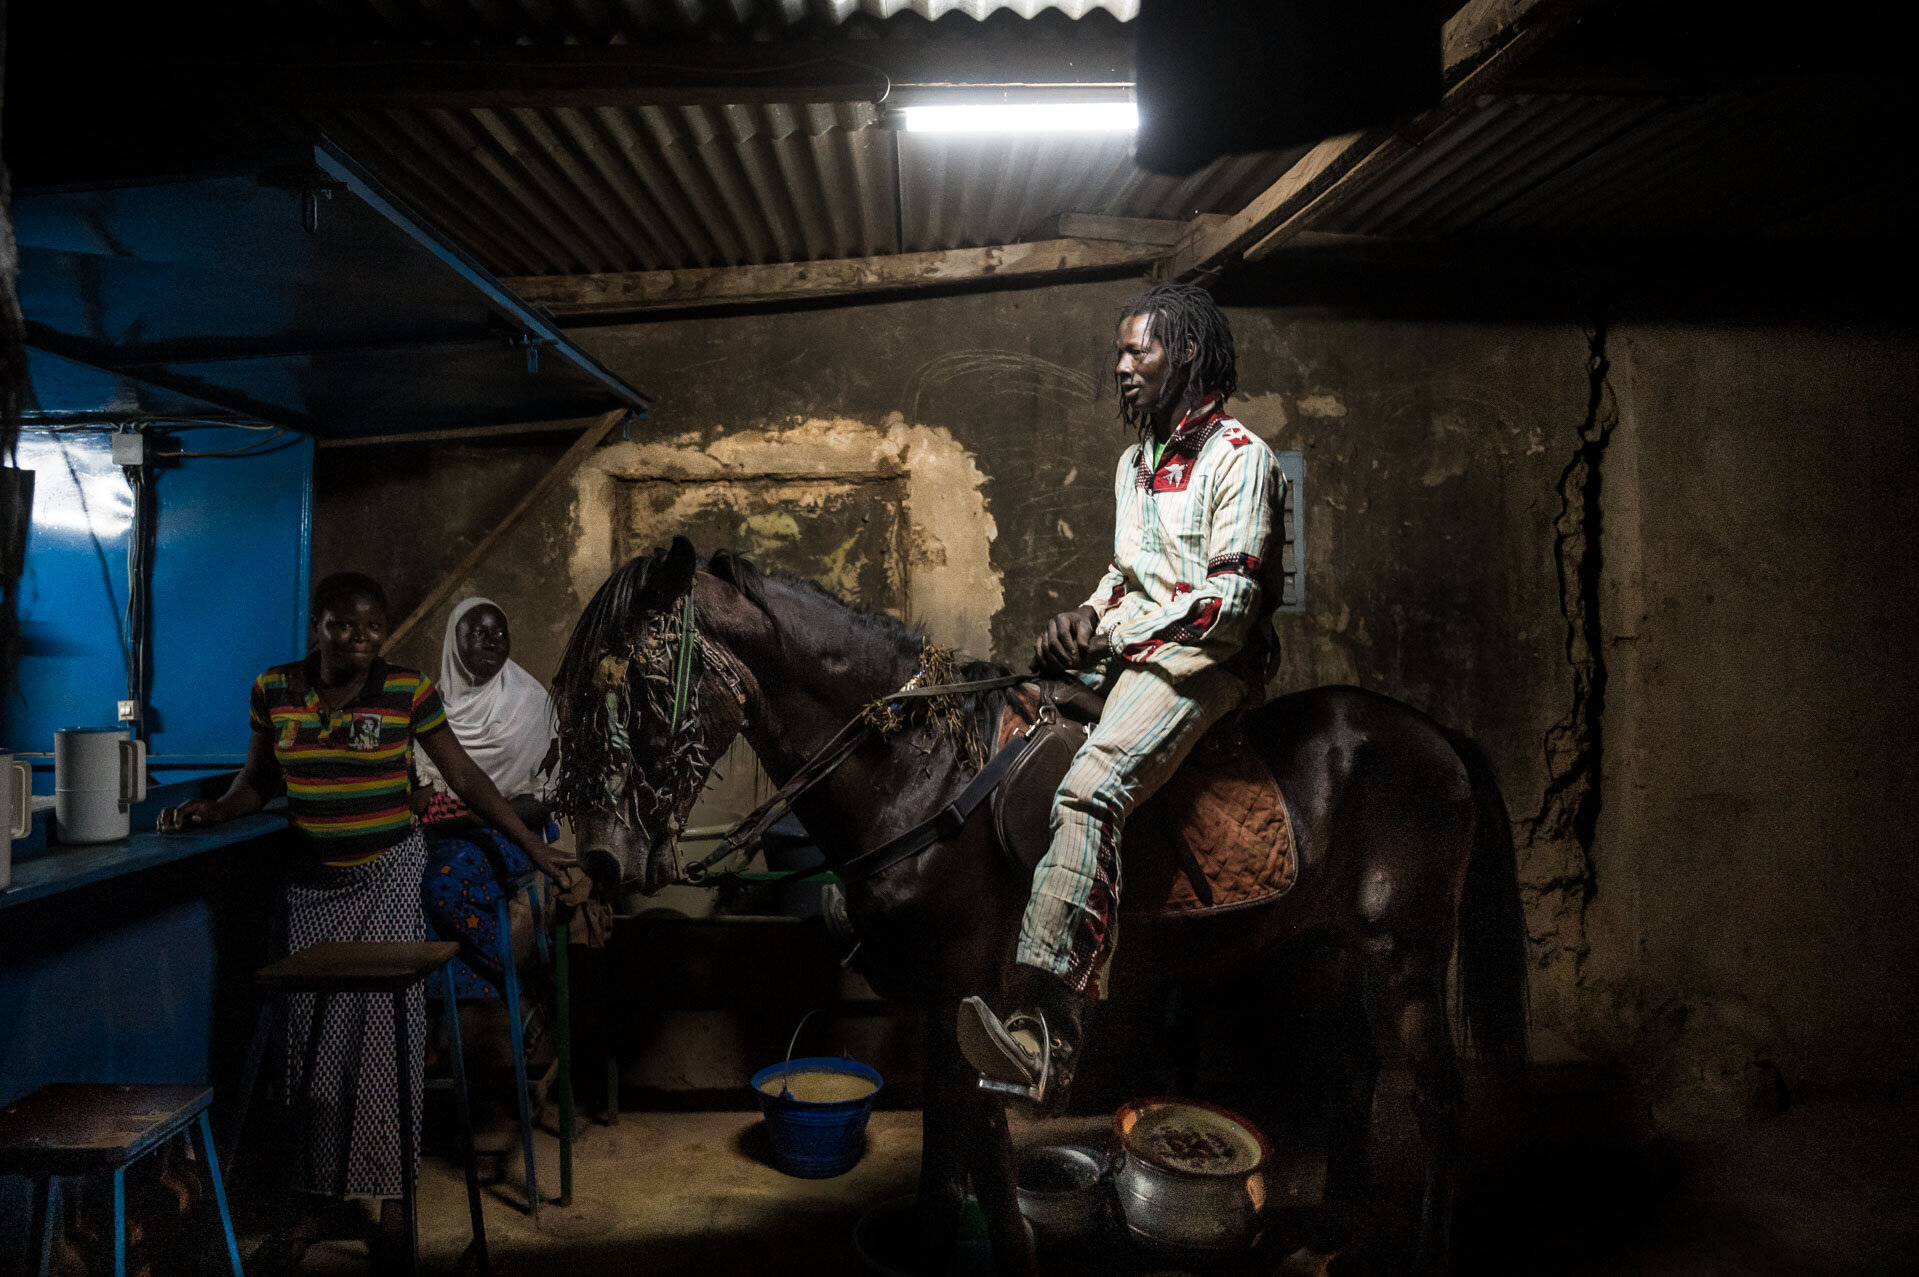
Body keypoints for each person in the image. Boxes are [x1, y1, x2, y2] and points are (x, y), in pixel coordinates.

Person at [159, 572, 572, 1265]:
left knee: (387, 1043)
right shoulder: (275, 690)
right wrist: (216, 808)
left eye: (372, 627)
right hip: (309, 887)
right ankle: (317, 1202)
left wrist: (537, 848)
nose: (360, 638)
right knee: (309, 1050)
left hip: (387, 875)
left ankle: (393, 1205)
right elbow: (259, 780)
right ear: (317, 625)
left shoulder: (407, 691)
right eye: (344, 625)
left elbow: (466, 778)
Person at [957, 283, 1283, 1105]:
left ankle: (1043, 1030)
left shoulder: (1240, 458)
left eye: (1138, 350)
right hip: (1135, 646)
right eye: (1119, 352)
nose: (1122, 365)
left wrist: (1117, 636)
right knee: (1014, 718)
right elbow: (1126, 576)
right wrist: (1083, 617)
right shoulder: (1135, 464)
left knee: (1091, 785)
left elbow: (1231, 603)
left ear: (1188, 356)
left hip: (1203, 662)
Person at [413, 597, 560, 1000]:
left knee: (441, 888)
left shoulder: (531, 704)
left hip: (517, 834)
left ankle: (517, 987)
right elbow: (424, 795)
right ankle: (449, 1017)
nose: (493, 641)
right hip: (445, 834)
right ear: (453, 642)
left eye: (500, 632)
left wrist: (470, 816)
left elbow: (547, 798)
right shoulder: (433, 707)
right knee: (399, 898)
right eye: (478, 633)